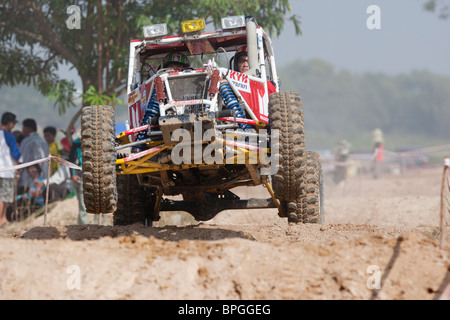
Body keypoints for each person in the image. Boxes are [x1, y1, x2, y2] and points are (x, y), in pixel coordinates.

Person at [69, 136, 105, 225]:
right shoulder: (77, 142)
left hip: (98, 174)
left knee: (100, 200)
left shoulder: (100, 138)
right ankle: (83, 226)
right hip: (82, 175)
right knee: (82, 202)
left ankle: (100, 225)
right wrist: (73, 174)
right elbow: (72, 159)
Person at [0, 112, 21, 228]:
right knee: (4, 197)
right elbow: (16, 153)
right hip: (6, 170)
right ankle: (2, 219)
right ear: (10, 123)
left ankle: (4, 219)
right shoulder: (9, 136)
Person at [18, 118, 49, 193]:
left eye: (23, 128)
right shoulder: (44, 141)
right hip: (43, 177)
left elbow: (21, 159)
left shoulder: (26, 141)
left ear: (27, 129)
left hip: (28, 178)